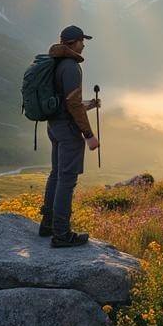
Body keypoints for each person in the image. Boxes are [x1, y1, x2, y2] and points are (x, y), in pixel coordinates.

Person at [39, 25, 100, 247]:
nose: (84, 44)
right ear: (73, 42)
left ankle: (47, 224)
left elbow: (65, 102)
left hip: (53, 126)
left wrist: (90, 105)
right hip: (68, 130)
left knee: (56, 175)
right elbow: (73, 104)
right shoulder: (72, 67)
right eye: (82, 41)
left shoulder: (54, 63)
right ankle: (62, 234)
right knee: (67, 180)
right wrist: (89, 135)